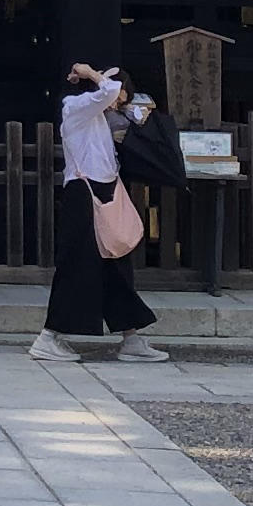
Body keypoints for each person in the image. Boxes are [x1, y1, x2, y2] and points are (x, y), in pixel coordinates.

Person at [37, 61, 165, 363]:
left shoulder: (103, 117)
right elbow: (108, 90)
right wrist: (90, 72)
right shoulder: (75, 106)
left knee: (117, 267)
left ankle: (130, 337)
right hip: (83, 194)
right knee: (76, 265)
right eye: (118, 95)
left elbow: (129, 110)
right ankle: (49, 336)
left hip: (106, 192)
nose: (118, 100)